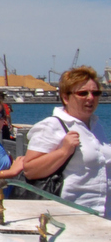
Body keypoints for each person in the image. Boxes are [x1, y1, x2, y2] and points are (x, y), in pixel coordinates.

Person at [22, 66, 110, 217]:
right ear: (66, 97)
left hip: (103, 214)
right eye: (83, 93)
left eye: (96, 93)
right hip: (71, 214)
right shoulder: (52, 126)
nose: (91, 98)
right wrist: (64, 151)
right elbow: (30, 170)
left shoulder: (97, 127)